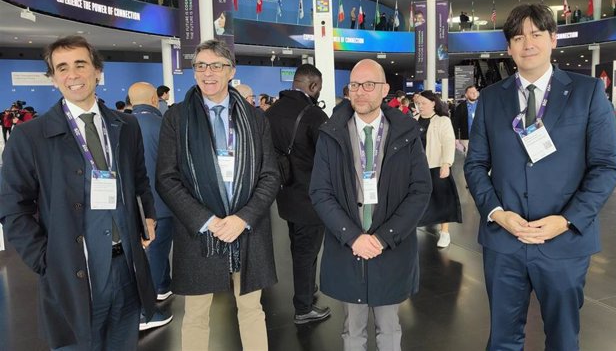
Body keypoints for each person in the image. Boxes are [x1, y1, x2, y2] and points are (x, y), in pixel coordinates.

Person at [464, 3, 616, 350]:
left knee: (564, 339)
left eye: (536, 34)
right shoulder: (491, 100)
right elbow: (474, 164)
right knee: (502, 339)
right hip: (504, 241)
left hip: (564, 242)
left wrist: (566, 221)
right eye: (518, 37)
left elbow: (607, 166)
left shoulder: (588, 92)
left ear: (553, 39)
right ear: (509, 48)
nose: (528, 43)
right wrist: (497, 214)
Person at [0, 35, 157, 350]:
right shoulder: (30, 137)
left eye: (80, 64)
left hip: (126, 266)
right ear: (53, 78)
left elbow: (139, 180)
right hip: (73, 273)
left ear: (97, 71)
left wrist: (148, 216)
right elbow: (13, 207)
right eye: (62, 68)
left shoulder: (125, 126)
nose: (72, 75)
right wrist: (45, 260)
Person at [156, 39, 279, 351]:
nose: (207, 73)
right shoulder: (177, 117)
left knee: (252, 310)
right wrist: (208, 220)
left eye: (216, 66)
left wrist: (243, 218)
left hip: (248, 229)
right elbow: (167, 178)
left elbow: (270, 175)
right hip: (199, 232)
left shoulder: (255, 118)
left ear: (231, 71)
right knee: (195, 314)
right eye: (200, 66)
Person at [310, 59, 432, 351]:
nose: (360, 92)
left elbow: (420, 190)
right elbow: (320, 191)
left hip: (390, 245)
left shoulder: (406, 132)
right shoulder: (331, 134)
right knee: (352, 329)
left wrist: (383, 237)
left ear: (385, 90)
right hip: (347, 244)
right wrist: (353, 236)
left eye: (368, 85)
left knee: (389, 328)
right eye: (354, 85)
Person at [265, 64, 331, 324]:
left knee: (300, 248)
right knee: (307, 251)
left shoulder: (271, 112)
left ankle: (308, 290)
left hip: (285, 195)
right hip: (312, 200)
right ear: (313, 86)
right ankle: (303, 308)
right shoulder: (315, 116)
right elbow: (328, 161)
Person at [128, 82, 175, 331]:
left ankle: (163, 286)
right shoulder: (163, 126)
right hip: (162, 203)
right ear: (155, 100)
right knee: (156, 252)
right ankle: (145, 312)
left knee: (155, 250)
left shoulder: (120, 126)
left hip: (131, 205)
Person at [415, 90, 462, 248]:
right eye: (418, 103)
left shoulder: (442, 121)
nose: (420, 106)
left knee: (442, 199)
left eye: (424, 103)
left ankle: (445, 232)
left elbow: (449, 142)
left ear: (433, 103)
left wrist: (446, 163)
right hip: (417, 168)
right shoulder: (415, 120)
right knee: (417, 199)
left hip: (436, 166)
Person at [452, 85, 480, 154]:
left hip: (481, 138)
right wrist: (455, 138)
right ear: (466, 95)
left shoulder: (481, 104)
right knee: (469, 158)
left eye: (475, 92)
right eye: (471, 92)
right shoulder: (461, 107)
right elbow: (455, 123)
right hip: (466, 139)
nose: (474, 94)